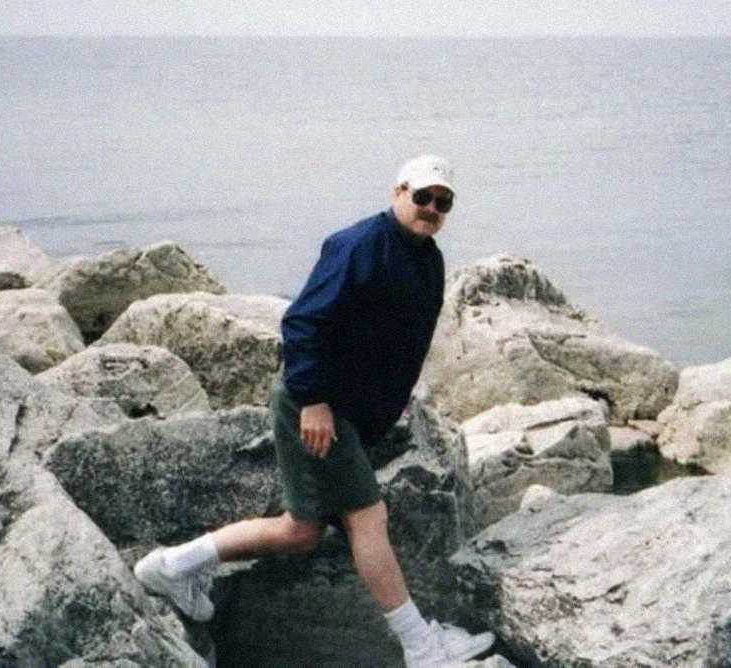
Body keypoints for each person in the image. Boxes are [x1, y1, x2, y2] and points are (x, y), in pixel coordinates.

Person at [134, 155, 495, 668]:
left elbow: (401, 339)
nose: (432, 209)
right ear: (398, 192)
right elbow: (302, 323)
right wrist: (314, 401)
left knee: (300, 532)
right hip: (320, 406)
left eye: (443, 202)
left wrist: (397, 396)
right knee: (369, 517)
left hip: (353, 410)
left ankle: (171, 566)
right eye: (423, 197)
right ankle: (422, 648)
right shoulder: (356, 246)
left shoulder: (427, 258)